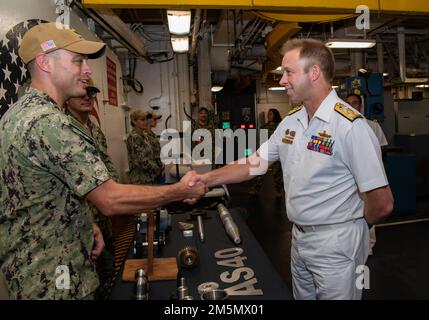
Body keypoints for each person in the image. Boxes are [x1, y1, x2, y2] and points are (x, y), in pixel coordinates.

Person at [0, 22, 206, 300]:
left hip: (35, 271)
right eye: (77, 61)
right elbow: (110, 200)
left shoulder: (19, 114)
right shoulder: (48, 122)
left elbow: (40, 195)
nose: (86, 71)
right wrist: (180, 190)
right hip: (56, 281)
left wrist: (86, 225)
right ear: (45, 62)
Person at [188, 38, 393, 300]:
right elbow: (255, 163)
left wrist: (351, 227)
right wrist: (206, 179)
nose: (282, 80)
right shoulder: (291, 122)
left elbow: (382, 203)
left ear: (314, 73)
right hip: (299, 239)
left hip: (337, 244)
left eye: (289, 72)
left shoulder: (350, 126)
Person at [64, 80, 118, 299]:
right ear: (67, 95)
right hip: (81, 221)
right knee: (87, 282)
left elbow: (106, 167)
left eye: (92, 91)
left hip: (102, 214)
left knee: (108, 273)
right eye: (82, 92)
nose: (87, 96)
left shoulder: (94, 130)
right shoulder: (63, 129)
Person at [346, 93, 388, 256]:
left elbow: (382, 147)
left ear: (361, 106)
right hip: (350, 178)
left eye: (354, 103)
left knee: (369, 209)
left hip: (369, 177)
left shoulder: (372, 125)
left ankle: (368, 246)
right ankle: (352, 245)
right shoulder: (341, 126)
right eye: (347, 103)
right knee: (351, 211)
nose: (351, 106)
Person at [250, 108, 283, 197]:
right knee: (260, 171)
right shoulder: (264, 126)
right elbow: (262, 140)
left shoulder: (280, 126)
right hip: (265, 152)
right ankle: (256, 188)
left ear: (275, 115)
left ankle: (278, 190)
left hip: (276, 153)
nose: (268, 116)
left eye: (271, 114)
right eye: (268, 114)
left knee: (277, 173)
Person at [126, 110, 164, 185]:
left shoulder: (144, 136)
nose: (146, 122)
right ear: (134, 122)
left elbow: (151, 156)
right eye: (142, 120)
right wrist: (157, 169)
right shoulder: (134, 137)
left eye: (146, 119)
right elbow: (141, 161)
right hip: (141, 180)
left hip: (150, 177)